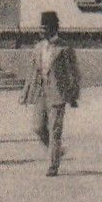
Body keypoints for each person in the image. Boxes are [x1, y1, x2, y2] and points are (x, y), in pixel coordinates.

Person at [24, 11, 80, 177]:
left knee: (55, 130)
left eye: (44, 28)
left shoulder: (64, 49)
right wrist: (26, 92)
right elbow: (33, 71)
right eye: (40, 28)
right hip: (41, 93)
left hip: (58, 94)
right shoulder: (38, 48)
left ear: (53, 29)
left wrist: (73, 95)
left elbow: (74, 73)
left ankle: (53, 165)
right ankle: (57, 151)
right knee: (38, 127)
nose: (41, 31)